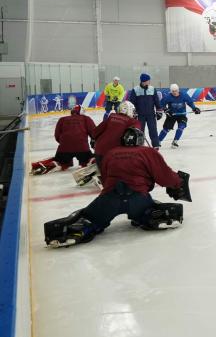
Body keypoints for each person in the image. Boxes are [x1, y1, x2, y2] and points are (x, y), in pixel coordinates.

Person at [43, 127, 191, 248]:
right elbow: (164, 176)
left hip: (110, 199)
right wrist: (178, 183)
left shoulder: (110, 153)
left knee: (90, 217)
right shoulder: (148, 153)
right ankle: (148, 217)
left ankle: (84, 228)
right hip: (138, 198)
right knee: (148, 209)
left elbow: (106, 180)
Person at [76, 100, 138, 186]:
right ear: (129, 110)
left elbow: (95, 132)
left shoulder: (111, 117)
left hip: (99, 152)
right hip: (115, 155)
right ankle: (104, 178)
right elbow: (136, 140)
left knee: (106, 166)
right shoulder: (133, 122)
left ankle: (99, 170)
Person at [31, 105, 97, 175]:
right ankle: (92, 162)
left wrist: (64, 143)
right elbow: (95, 133)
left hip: (64, 148)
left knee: (61, 161)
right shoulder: (86, 118)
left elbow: (57, 135)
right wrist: (94, 142)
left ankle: (54, 164)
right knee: (88, 159)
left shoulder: (62, 119)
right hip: (82, 148)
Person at [159, 84, 201, 148]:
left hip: (182, 115)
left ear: (178, 90)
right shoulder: (168, 97)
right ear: (171, 91)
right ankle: (158, 141)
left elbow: (190, 102)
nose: (175, 92)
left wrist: (194, 108)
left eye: (176, 91)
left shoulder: (184, 95)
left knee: (181, 127)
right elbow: (161, 104)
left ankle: (175, 141)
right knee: (166, 129)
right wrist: (166, 110)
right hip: (171, 115)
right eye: (173, 91)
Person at [128, 73, 163, 149]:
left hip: (151, 114)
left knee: (153, 130)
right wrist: (133, 113)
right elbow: (132, 103)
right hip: (140, 115)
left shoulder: (152, 89)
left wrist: (159, 111)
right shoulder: (135, 90)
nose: (149, 82)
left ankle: (156, 145)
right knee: (140, 131)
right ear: (143, 81)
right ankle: (140, 145)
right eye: (148, 80)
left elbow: (156, 101)